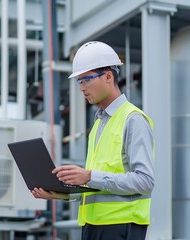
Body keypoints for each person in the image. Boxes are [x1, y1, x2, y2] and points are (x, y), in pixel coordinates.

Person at [31, 41, 155, 240]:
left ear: (107, 76)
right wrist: (59, 194)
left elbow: (145, 181)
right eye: (79, 81)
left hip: (121, 226)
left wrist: (88, 176)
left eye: (86, 80)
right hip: (92, 226)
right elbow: (96, 189)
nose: (81, 88)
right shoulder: (98, 124)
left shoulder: (133, 119)